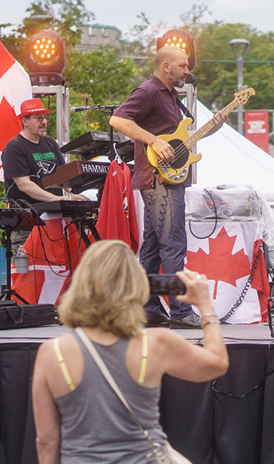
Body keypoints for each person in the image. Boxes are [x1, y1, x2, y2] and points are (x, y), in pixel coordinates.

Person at [31, 240, 229, 463]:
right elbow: (218, 362)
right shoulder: (155, 343)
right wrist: (205, 306)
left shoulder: (52, 353)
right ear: (137, 286)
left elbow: (46, 439)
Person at [110, 46, 226, 329]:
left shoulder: (172, 97)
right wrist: (154, 141)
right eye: (183, 66)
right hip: (158, 181)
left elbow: (181, 139)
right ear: (166, 67)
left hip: (167, 180)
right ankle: (180, 311)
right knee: (173, 245)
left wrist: (212, 127)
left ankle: (146, 308)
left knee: (151, 249)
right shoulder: (149, 91)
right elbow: (118, 119)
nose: (188, 71)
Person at [1, 98, 89, 262]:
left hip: (53, 220)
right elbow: (24, 185)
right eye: (38, 118)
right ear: (25, 121)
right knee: (24, 274)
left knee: (54, 270)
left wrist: (72, 195)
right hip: (25, 223)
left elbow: (63, 177)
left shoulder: (49, 142)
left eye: (45, 117)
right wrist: (56, 199)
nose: (44, 122)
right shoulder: (15, 147)